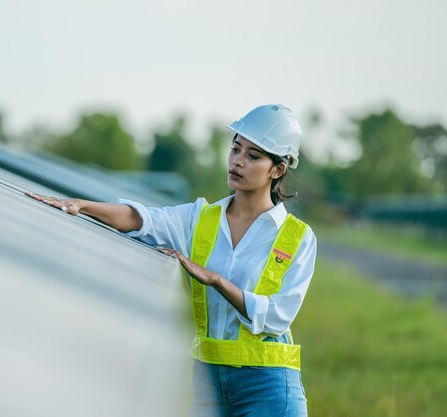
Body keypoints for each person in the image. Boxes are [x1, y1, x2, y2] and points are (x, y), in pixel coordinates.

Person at [26, 104, 317, 417]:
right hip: (207, 380)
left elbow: (277, 318)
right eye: (235, 149)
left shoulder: (298, 238)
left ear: (278, 170)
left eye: (253, 155)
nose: (237, 161)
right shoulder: (199, 218)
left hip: (268, 387)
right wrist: (82, 206)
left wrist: (216, 280)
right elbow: (142, 220)